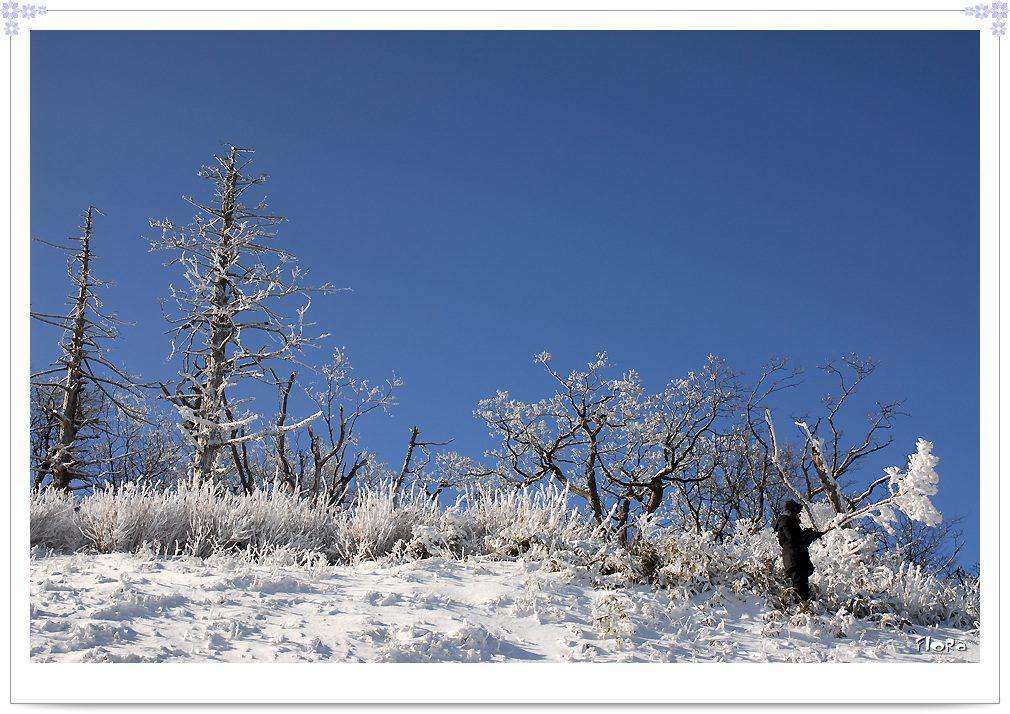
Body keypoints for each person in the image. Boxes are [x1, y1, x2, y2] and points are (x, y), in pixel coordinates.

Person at [774, 499, 823, 604]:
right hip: (794, 560)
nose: (799, 515)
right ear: (793, 512)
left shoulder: (791, 524)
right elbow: (792, 538)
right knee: (800, 587)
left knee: (803, 586)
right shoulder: (785, 521)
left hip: (798, 559)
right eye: (797, 513)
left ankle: (804, 607)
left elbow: (801, 542)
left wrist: (811, 536)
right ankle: (801, 609)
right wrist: (806, 535)